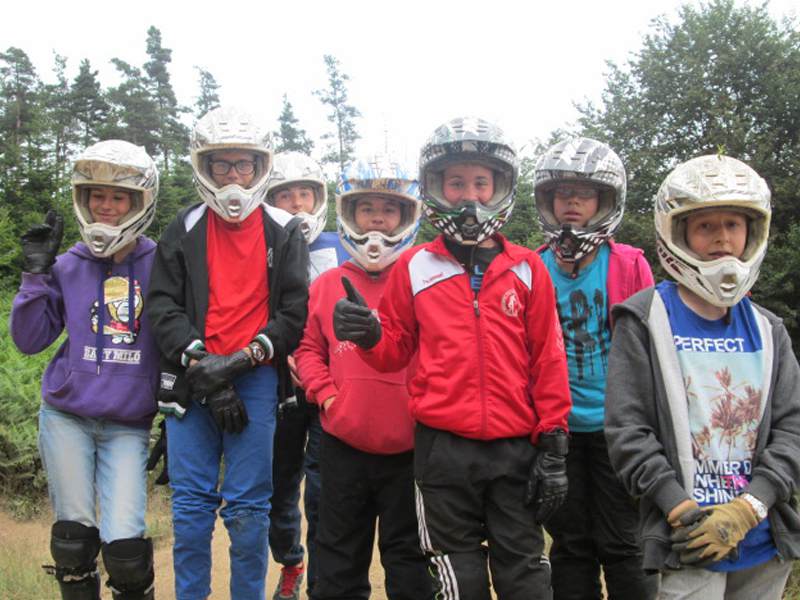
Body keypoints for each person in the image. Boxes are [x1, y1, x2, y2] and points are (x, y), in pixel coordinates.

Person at [332, 117, 572, 599]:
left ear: (499, 187)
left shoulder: (528, 269)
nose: (470, 196)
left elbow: (547, 358)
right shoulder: (413, 264)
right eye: (456, 182)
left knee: (525, 573)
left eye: (481, 183)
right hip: (443, 448)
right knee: (457, 578)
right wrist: (371, 335)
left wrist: (555, 446)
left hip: (515, 446)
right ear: (437, 187)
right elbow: (395, 350)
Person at [605, 154, 800, 599]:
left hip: (763, 534)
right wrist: (679, 506)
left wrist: (751, 507)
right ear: (679, 234)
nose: (721, 239)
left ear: (752, 232)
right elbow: (626, 429)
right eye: (705, 226)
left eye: (732, 224)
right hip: (687, 537)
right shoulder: (643, 320)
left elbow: (793, 426)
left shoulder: (770, 330)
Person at [145, 106, 309, 600]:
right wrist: (203, 366)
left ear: (261, 167)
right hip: (192, 374)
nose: (234, 176)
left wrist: (239, 362)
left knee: (247, 511)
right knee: (191, 512)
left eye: (244, 165)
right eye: (222, 165)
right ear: (205, 167)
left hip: (255, 377)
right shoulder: (185, 225)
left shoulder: (284, 228)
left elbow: (293, 311)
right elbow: (162, 304)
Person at [10, 140, 160, 600]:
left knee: (126, 550)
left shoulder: (160, 262)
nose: (107, 206)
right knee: (73, 543)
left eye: (119, 198)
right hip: (67, 416)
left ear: (139, 203)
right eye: (98, 195)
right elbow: (29, 340)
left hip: (127, 424)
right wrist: (36, 275)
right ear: (84, 199)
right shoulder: (68, 264)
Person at [295, 155, 433, 600]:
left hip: (411, 450)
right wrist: (327, 395)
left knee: (409, 561)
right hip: (343, 445)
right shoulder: (328, 283)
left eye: (389, 208)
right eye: (366, 208)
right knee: (338, 559)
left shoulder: (424, 281)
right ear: (348, 214)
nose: (377, 217)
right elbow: (308, 349)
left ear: (408, 215)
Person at [533, 137, 657, 599]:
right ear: (547, 201)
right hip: (559, 429)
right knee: (570, 544)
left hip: (618, 428)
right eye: (562, 194)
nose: (571, 204)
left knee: (624, 543)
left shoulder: (629, 265)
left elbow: (649, 347)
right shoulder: (534, 268)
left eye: (583, 195)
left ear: (604, 202)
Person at [265, 151, 348, 600]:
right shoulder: (259, 246)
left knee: (321, 490)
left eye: (305, 194)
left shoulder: (343, 246)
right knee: (278, 485)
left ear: (320, 198)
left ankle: (322, 582)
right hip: (276, 383)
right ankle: (291, 563)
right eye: (284, 195)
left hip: (328, 388)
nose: (296, 204)